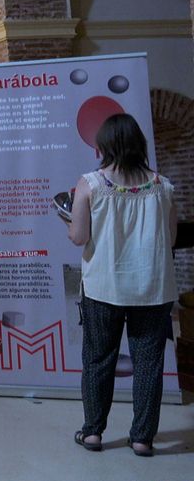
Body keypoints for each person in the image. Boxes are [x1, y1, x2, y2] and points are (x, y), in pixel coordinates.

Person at [64, 114, 178, 457]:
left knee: (98, 360)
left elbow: (79, 236)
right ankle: (142, 438)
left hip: (104, 287)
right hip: (153, 288)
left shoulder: (91, 184)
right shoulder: (163, 186)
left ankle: (94, 433)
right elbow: (170, 239)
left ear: (106, 146)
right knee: (148, 363)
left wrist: (69, 219)